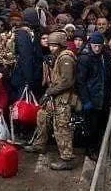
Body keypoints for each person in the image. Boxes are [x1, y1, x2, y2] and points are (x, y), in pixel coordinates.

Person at [24, 30, 78, 170]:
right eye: (50, 45)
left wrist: (49, 92)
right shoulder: (57, 56)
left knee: (61, 127)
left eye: (54, 45)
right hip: (55, 96)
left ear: (61, 45)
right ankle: (39, 145)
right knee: (42, 116)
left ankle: (67, 158)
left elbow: (67, 82)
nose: (51, 48)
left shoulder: (66, 58)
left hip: (63, 98)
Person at [76, 31, 111, 159]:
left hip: (102, 96)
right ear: (90, 44)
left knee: (100, 125)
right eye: (95, 46)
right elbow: (80, 81)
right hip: (92, 97)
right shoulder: (85, 58)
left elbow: (108, 75)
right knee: (91, 127)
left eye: (99, 46)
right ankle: (90, 149)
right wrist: (86, 100)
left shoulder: (105, 56)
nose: (97, 48)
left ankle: (98, 147)